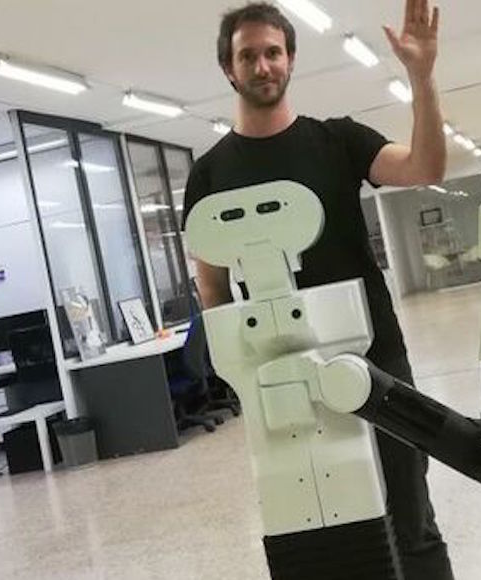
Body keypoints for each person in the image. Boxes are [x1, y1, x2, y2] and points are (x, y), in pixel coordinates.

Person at [183, 1, 453, 578]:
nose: (262, 66)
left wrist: (422, 76)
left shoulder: (339, 140)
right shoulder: (209, 174)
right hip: (280, 377)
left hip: (375, 359)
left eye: (272, 52)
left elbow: (425, 167)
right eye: (248, 56)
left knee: (411, 518)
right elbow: (212, 287)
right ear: (229, 68)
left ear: (291, 59)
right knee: (320, 529)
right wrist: (248, 377)